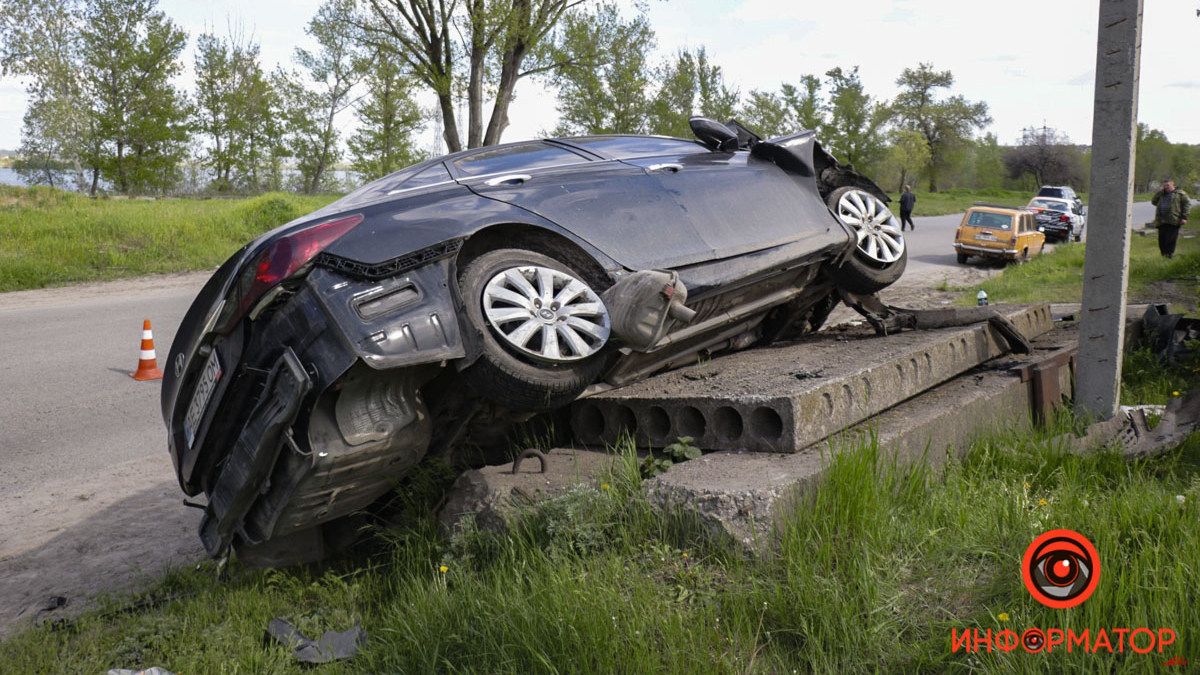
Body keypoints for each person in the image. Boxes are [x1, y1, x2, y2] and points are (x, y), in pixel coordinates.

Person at [1151, 178, 1190, 258]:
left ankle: (1169, 256)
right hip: (1161, 221)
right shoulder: (1161, 193)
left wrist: (1184, 217)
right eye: (1164, 185)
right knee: (1162, 240)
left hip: (1174, 220)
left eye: (1168, 185)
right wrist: (1160, 192)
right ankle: (1163, 256)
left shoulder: (1180, 194)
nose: (1166, 187)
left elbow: (1187, 204)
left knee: (1170, 240)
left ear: (1173, 184)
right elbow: (1154, 202)